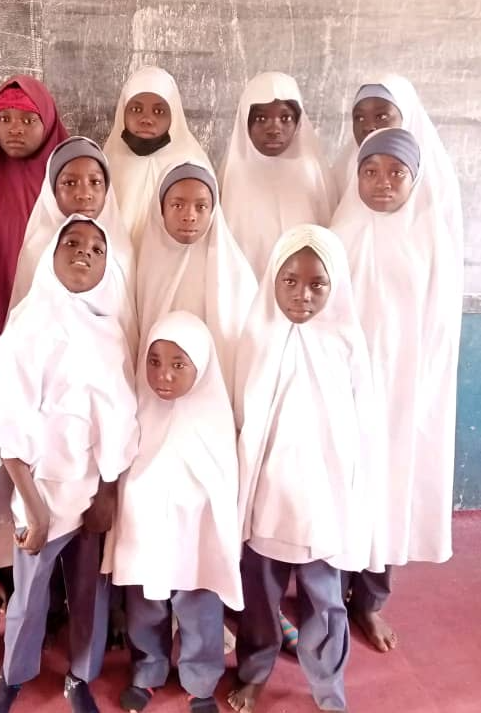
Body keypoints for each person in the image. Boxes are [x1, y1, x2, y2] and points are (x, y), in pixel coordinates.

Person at [0, 214, 140, 713]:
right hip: (40, 494)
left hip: (90, 493)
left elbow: (120, 418)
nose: (83, 252)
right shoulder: (29, 325)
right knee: (28, 600)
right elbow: (7, 424)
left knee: (90, 591)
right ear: (50, 258)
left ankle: (79, 676)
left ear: (107, 266)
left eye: (96, 248)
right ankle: (14, 676)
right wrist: (35, 508)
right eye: (71, 242)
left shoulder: (110, 332)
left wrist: (108, 493)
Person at [229, 224, 377, 713]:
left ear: (336, 286)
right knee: (258, 600)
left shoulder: (347, 345)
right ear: (272, 277)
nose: (303, 294)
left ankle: (328, 685)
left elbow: (361, 434)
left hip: (322, 503)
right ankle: (254, 672)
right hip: (267, 498)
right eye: (290, 281)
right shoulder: (255, 338)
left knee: (325, 601)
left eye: (318, 284)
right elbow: (239, 417)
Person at [330, 127, 462, 653]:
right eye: (370, 172)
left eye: (396, 174)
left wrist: (417, 389)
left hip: (402, 391)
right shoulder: (340, 231)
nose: (382, 184)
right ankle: (329, 595)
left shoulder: (429, 238)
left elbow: (440, 331)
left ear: (416, 179)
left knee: (388, 490)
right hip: (344, 388)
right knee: (342, 486)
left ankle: (369, 599)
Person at [109, 310, 243, 713]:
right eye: (154, 362)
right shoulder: (138, 410)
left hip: (194, 537)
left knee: (199, 607)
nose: (163, 375)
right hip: (146, 532)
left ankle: (200, 681)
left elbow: (222, 488)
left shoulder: (215, 421)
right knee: (145, 607)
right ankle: (148, 670)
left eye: (178, 364)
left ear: (200, 366)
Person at [136, 161, 256, 397]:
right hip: (157, 394)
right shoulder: (142, 264)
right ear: (160, 209)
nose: (189, 216)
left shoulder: (236, 274)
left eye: (201, 206)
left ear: (213, 210)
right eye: (177, 205)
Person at [0, 75, 68, 332]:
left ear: (48, 122)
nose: (15, 128)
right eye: (4, 119)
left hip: (53, 318)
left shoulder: (69, 181)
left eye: (28, 120)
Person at [9, 135, 137, 352]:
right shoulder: (38, 249)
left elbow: (128, 326)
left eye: (95, 182)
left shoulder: (121, 251)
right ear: (52, 190)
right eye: (70, 183)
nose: (84, 194)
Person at [219, 72, 336, 280]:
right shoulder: (232, 176)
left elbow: (329, 243)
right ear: (245, 121)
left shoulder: (312, 174)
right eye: (261, 118)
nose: (274, 129)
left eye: (285, 118)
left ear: (299, 122)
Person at [332, 74, 462, 245]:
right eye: (359, 118)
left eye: (382, 116)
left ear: (406, 116)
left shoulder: (437, 182)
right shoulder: (341, 173)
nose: (369, 126)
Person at [103, 66, 212, 254]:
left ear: (174, 114)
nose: (147, 119)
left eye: (159, 111)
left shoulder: (191, 162)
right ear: (123, 111)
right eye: (136, 109)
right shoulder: (108, 160)